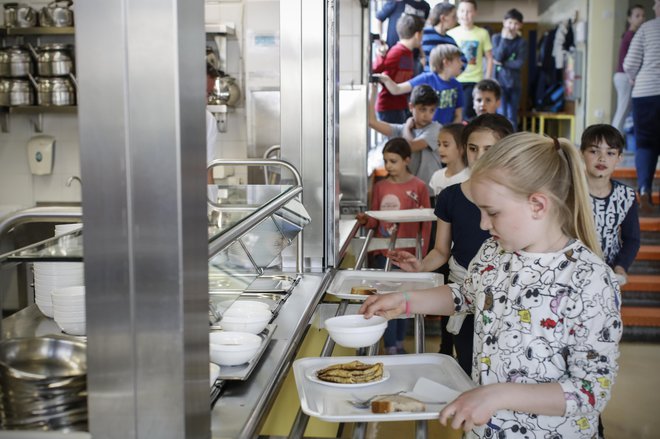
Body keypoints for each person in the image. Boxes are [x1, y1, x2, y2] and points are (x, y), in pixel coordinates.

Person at [361, 132, 622, 439]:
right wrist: (405, 301)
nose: (484, 224)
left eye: (492, 213)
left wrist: (496, 395)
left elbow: (589, 392)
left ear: (538, 205)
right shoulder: (493, 252)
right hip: (485, 428)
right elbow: (466, 296)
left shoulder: (589, 280)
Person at [388, 114, 513, 374]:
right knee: (468, 363)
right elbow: (442, 251)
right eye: (473, 148)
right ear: (464, 150)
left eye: (490, 149)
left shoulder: (518, 198)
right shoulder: (450, 196)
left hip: (508, 296)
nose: (480, 156)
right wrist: (421, 266)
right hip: (462, 292)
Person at [356, 138, 431, 355]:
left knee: (405, 300)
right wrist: (365, 220)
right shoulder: (380, 187)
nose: (388, 166)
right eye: (386, 161)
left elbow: (426, 224)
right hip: (384, 254)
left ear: (407, 160)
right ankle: (390, 346)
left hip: (409, 257)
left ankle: (399, 341)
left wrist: (422, 255)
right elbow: (375, 220)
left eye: (393, 161)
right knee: (385, 301)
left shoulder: (419, 187)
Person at [580, 124, 640, 286]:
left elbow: (632, 239)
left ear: (619, 158)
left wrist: (620, 267)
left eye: (610, 153)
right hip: (571, 273)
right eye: (594, 151)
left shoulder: (626, 196)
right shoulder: (569, 193)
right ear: (581, 154)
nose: (602, 158)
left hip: (608, 276)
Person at [369, 83, 442, 193]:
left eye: (432, 110)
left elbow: (409, 146)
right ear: (411, 107)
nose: (427, 115)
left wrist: (407, 127)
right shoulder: (401, 129)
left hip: (430, 191)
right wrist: (373, 92)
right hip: (408, 191)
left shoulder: (435, 128)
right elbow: (372, 122)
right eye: (423, 109)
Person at [624, 0, 660, 213]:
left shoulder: (647, 28)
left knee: (645, 144)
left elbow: (629, 63)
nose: (653, 7)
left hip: (646, 93)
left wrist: (633, 78)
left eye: (656, 4)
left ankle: (645, 190)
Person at [377, 44, 464, 125]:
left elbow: (458, 115)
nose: (461, 63)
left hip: (445, 134)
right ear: (446, 62)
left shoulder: (457, 86)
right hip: (425, 132)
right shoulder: (426, 78)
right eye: (458, 60)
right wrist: (386, 79)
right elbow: (397, 89)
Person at [373, 14, 425, 124]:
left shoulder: (408, 52)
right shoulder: (397, 52)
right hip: (389, 107)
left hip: (401, 106)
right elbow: (376, 69)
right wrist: (380, 55)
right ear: (418, 35)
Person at [448, 0, 493, 120]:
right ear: (457, 13)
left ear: (475, 13)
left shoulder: (482, 33)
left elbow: (489, 57)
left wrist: (487, 79)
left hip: (474, 80)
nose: (465, 14)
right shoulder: (450, 33)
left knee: (468, 114)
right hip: (454, 79)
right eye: (462, 11)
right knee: (453, 113)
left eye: (468, 11)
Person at [612, 5, 646, 135]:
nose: (641, 19)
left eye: (643, 16)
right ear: (629, 18)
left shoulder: (630, 35)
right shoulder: (631, 36)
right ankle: (612, 142)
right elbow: (629, 60)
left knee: (624, 110)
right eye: (637, 16)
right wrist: (632, 77)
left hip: (623, 76)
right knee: (622, 110)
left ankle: (614, 141)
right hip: (625, 76)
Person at [491, 8, 527, 130]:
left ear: (520, 25)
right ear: (504, 22)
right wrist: (505, 39)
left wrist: (501, 63)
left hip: (515, 84)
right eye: (510, 22)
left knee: (512, 116)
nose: (512, 26)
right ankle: (501, 143)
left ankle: (512, 145)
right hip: (499, 83)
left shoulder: (522, 42)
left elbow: (519, 63)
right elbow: (497, 56)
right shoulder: (496, 38)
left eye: (516, 23)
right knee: (501, 115)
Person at [375, 0, 430, 75]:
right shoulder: (397, 2)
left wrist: (422, 54)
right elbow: (379, 18)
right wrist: (380, 42)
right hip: (394, 49)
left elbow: (421, 31)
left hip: (413, 54)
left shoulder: (425, 6)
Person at [428, 123, 469, 199]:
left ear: (462, 148)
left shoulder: (470, 178)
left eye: (446, 145)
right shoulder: (437, 176)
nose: (440, 149)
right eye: (439, 144)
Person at [421, 2, 464, 72]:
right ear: (443, 18)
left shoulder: (450, 40)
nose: (456, 20)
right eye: (453, 16)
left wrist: (452, 75)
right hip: (423, 80)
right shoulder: (423, 34)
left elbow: (463, 60)